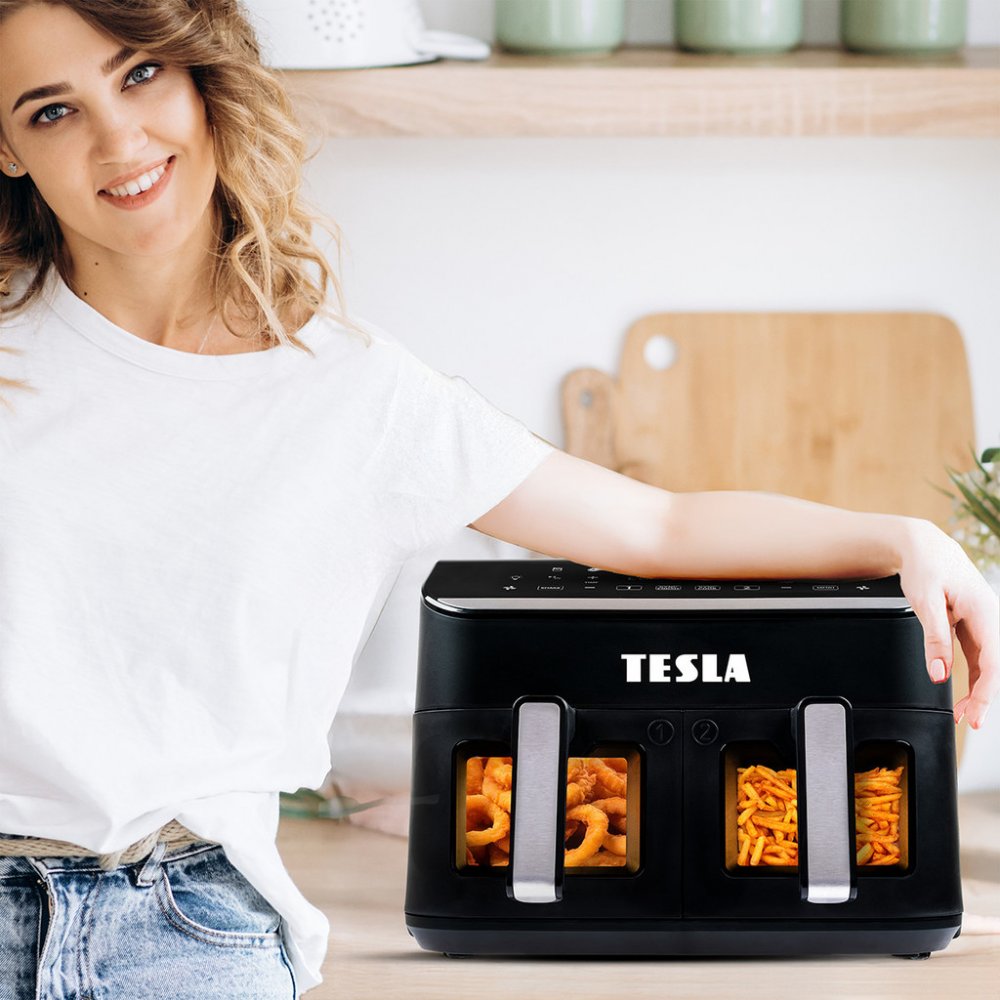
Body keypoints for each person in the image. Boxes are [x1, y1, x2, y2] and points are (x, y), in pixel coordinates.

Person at [0, 1, 995, 998]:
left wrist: (905, 538)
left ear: (202, 76)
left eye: (140, 75)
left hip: (186, 924)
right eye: (52, 110)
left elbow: (658, 529)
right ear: (8, 148)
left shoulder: (356, 397)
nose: (118, 140)